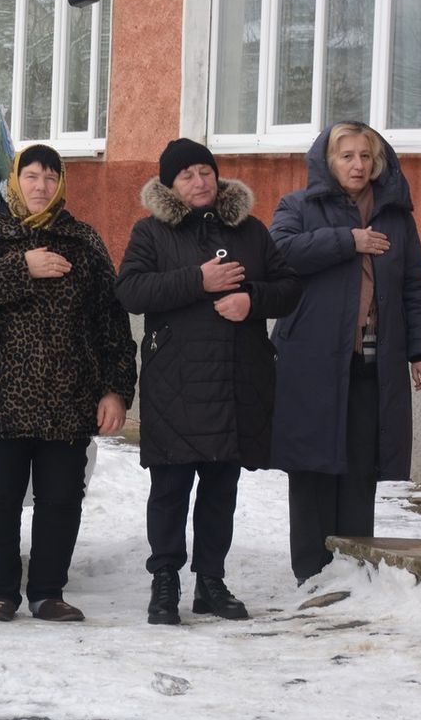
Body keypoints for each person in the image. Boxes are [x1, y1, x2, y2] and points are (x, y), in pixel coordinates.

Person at [0, 144, 136, 623]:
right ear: (15, 179)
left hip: (67, 400)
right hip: (0, 398)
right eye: (31, 176)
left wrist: (115, 390)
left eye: (50, 177)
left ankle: (48, 592)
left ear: (61, 185)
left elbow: (112, 324)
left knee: (60, 500)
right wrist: (20, 269)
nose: (40, 187)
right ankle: (0, 593)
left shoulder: (83, 241)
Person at [116, 139, 300, 626]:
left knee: (222, 487)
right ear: (170, 185)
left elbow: (289, 289)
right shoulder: (151, 233)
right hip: (175, 380)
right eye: (187, 176)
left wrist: (251, 301)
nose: (199, 182)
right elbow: (131, 290)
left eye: (205, 172)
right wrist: (198, 280)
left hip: (238, 379)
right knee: (170, 487)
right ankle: (165, 582)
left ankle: (211, 582)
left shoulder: (251, 231)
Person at [271, 123, 421, 585]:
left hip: (372, 364)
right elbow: (280, 253)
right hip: (312, 362)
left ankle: (352, 568)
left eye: (366, 156)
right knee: (312, 466)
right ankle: (311, 571)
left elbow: (414, 285)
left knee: (361, 467)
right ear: (328, 161)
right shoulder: (298, 206)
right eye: (347, 156)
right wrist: (349, 241)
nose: (358, 165)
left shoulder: (396, 217)